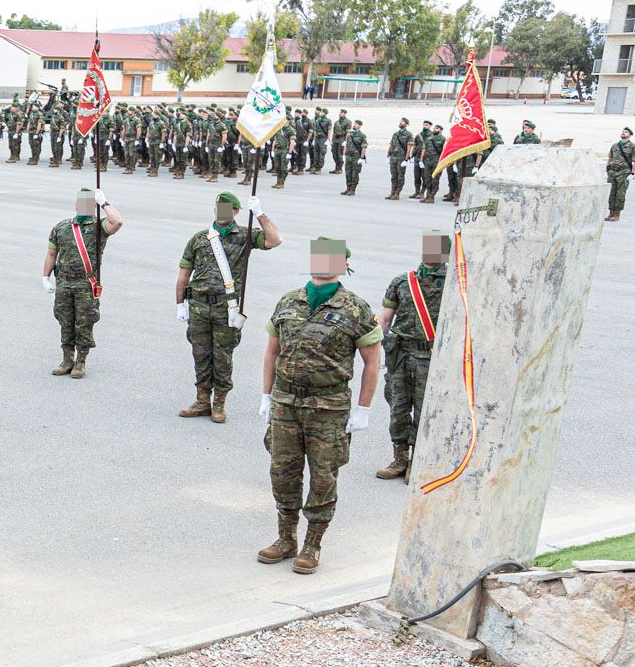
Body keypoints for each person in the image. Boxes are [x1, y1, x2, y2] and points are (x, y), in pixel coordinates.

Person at [257, 237, 381, 574]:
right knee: (282, 472)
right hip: (286, 402)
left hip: (328, 407)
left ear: (342, 266)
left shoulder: (356, 308)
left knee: (323, 476)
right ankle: (286, 538)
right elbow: (272, 350)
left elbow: (372, 362)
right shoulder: (288, 302)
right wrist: (266, 395)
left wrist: (363, 408)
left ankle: (312, 544)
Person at [175, 192, 281, 423]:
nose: (221, 212)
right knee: (201, 354)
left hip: (227, 308)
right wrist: (180, 303)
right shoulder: (199, 239)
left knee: (222, 356)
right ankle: (202, 401)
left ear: (235, 212)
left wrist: (260, 214)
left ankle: (219, 404)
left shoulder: (244, 236)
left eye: (227, 209)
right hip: (199, 308)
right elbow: (184, 273)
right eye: (218, 207)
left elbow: (274, 240)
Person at [376, 234, 448, 482]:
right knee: (398, 407)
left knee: (424, 409)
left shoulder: (453, 282)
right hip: (400, 354)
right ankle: (399, 458)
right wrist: (377, 353)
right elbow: (385, 319)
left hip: (430, 356)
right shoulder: (402, 282)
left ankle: (417, 462)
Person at [41, 187, 123, 378]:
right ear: (76, 204)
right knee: (65, 321)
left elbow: (117, 221)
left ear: (94, 206)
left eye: (89, 203)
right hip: (64, 283)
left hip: (86, 285)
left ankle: (81, 361)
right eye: (82, 202)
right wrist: (45, 277)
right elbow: (51, 254)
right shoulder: (61, 227)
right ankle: (67, 359)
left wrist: (105, 202)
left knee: (84, 323)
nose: (84, 206)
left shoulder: (98, 228)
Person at [607, 128, 635, 222]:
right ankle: (610, 213)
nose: (623, 133)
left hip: (624, 173)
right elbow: (609, 159)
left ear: (630, 135)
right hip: (612, 173)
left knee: (620, 194)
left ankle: (617, 214)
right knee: (611, 193)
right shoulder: (614, 145)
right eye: (623, 132)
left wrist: (632, 173)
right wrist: (606, 171)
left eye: (626, 132)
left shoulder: (632, 146)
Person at [385, 118, 412, 201]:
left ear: (406, 124)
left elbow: (409, 147)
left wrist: (406, 159)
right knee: (393, 176)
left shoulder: (408, 134)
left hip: (401, 157)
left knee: (400, 176)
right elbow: (391, 144)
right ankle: (392, 192)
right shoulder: (395, 134)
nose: (400, 123)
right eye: (400, 121)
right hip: (393, 156)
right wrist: (388, 155)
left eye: (402, 122)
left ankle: (397, 193)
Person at [341, 120, 367, 196]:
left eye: (356, 124)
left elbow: (364, 147)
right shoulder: (349, 135)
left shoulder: (362, 135)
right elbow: (346, 145)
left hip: (356, 157)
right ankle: (348, 188)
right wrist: (344, 154)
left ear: (359, 126)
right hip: (348, 156)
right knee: (348, 173)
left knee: (354, 174)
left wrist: (362, 158)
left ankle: (353, 190)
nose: (354, 125)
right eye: (354, 124)